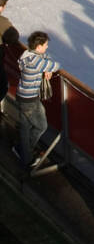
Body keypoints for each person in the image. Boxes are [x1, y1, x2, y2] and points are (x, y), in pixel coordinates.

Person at [15, 31, 59, 171]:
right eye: (45, 45)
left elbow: (45, 59)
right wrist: (48, 68)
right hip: (29, 100)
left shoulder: (28, 55)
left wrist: (45, 66)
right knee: (40, 126)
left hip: (24, 96)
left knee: (25, 127)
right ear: (38, 46)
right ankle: (26, 157)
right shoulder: (36, 62)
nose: (47, 47)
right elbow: (55, 65)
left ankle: (21, 150)